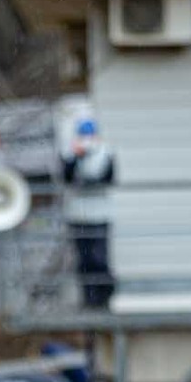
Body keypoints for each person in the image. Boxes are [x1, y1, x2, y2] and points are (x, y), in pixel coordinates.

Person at [61, 117, 115, 309]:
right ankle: (89, 299)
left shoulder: (105, 153)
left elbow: (108, 177)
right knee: (84, 261)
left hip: (99, 215)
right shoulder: (71, 153)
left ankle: (105, 297)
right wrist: (77, 158)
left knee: (99, 259)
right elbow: (67, 177)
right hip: (78, 216)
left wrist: (91, 161)